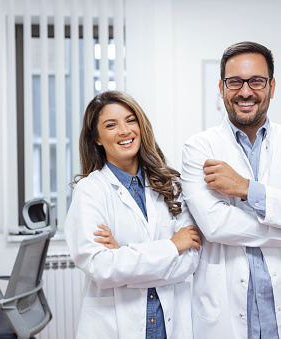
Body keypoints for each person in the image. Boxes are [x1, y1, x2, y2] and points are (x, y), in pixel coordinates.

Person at [181, 41, 281, 339]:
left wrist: (247, 189)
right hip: (225, 316)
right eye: (234, 82)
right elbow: (215, 225)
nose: (246, 92)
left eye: (257, 81)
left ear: (272, 86)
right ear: (222, 87)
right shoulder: (199, 147)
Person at [65, 90, 201, 339]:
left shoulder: (170, 186)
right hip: (115, 326)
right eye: (111, 125)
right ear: (97, 138)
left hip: (168, 324)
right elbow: (102, 268)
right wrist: (171, 247)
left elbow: (190, 262)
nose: (125, 131)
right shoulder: (91, 191)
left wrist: (122, 255)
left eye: (130, 120)